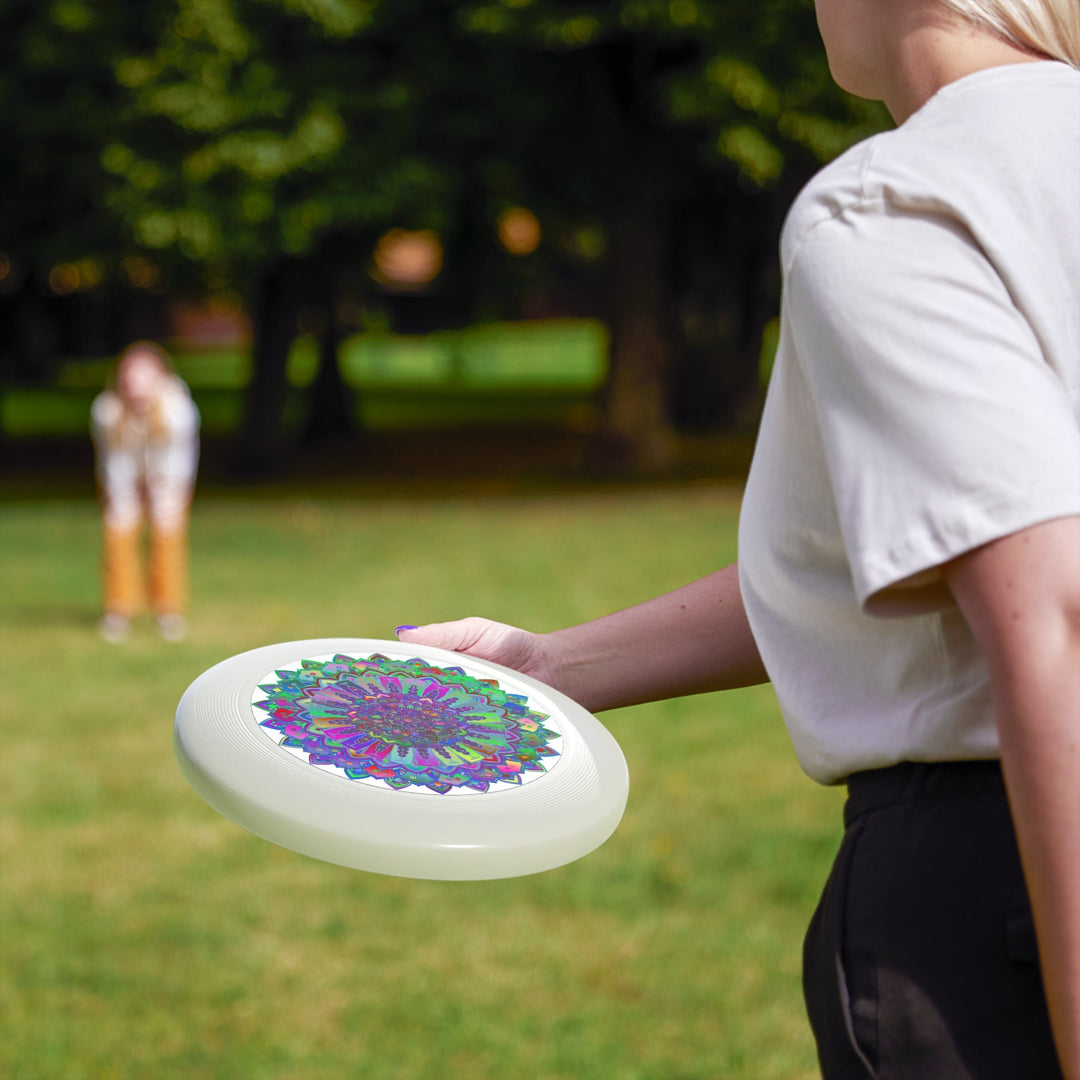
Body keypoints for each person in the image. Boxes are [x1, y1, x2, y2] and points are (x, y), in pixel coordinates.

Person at [395, 2, 1080, 1077]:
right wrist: (551, 665)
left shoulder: (900, 202)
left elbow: (1055, 615)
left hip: (1004, 889)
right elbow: (917, 552)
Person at [91, 341, 200, 642]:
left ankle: (168, 610)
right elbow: (114, 460)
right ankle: (118, 610)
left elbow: (177, 460)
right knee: (118, 531)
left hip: (168, 479)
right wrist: (126, 495)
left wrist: (160, 492)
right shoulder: (107, 410)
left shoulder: (178, 410)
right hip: (123, 478)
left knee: (167, 535)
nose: (136, 385)